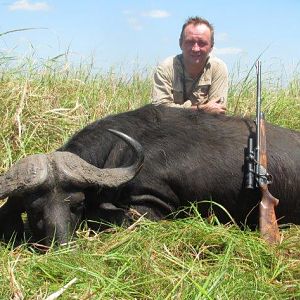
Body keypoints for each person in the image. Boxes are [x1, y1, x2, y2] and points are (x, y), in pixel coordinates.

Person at [152, 16, 228, 114]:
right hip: (170, 127)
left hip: (204, 126)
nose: (195, 49)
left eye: (202, 43)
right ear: (180, 43)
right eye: (190, 42)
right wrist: (201, 109)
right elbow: (160, 111)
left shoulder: (218, 67)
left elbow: (217, 111)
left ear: (211, 46)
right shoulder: (165, 68)